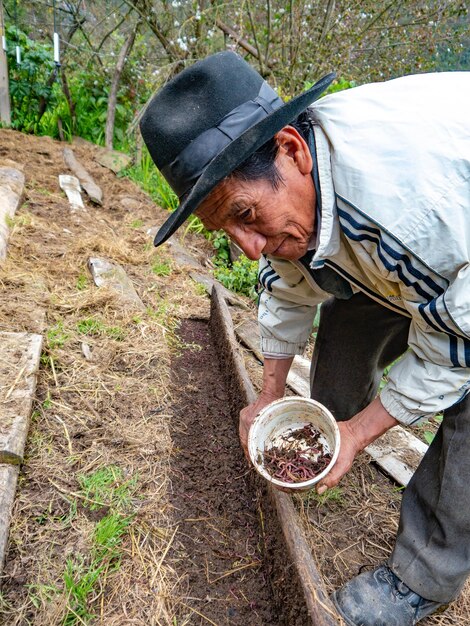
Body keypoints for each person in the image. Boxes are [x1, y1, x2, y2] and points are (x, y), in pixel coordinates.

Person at [140, 50, 470, 626]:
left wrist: (362, 432)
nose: (248, 246)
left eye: (245, 213)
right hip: (418, 246)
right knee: (344, 294)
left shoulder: (407, 212)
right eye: (227, 229)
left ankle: (424, 577)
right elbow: (289, 284)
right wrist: (269, 394)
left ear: (291, 150)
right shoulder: (308, 183)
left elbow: (456, 346)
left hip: (452, 237)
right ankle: (331, 432)